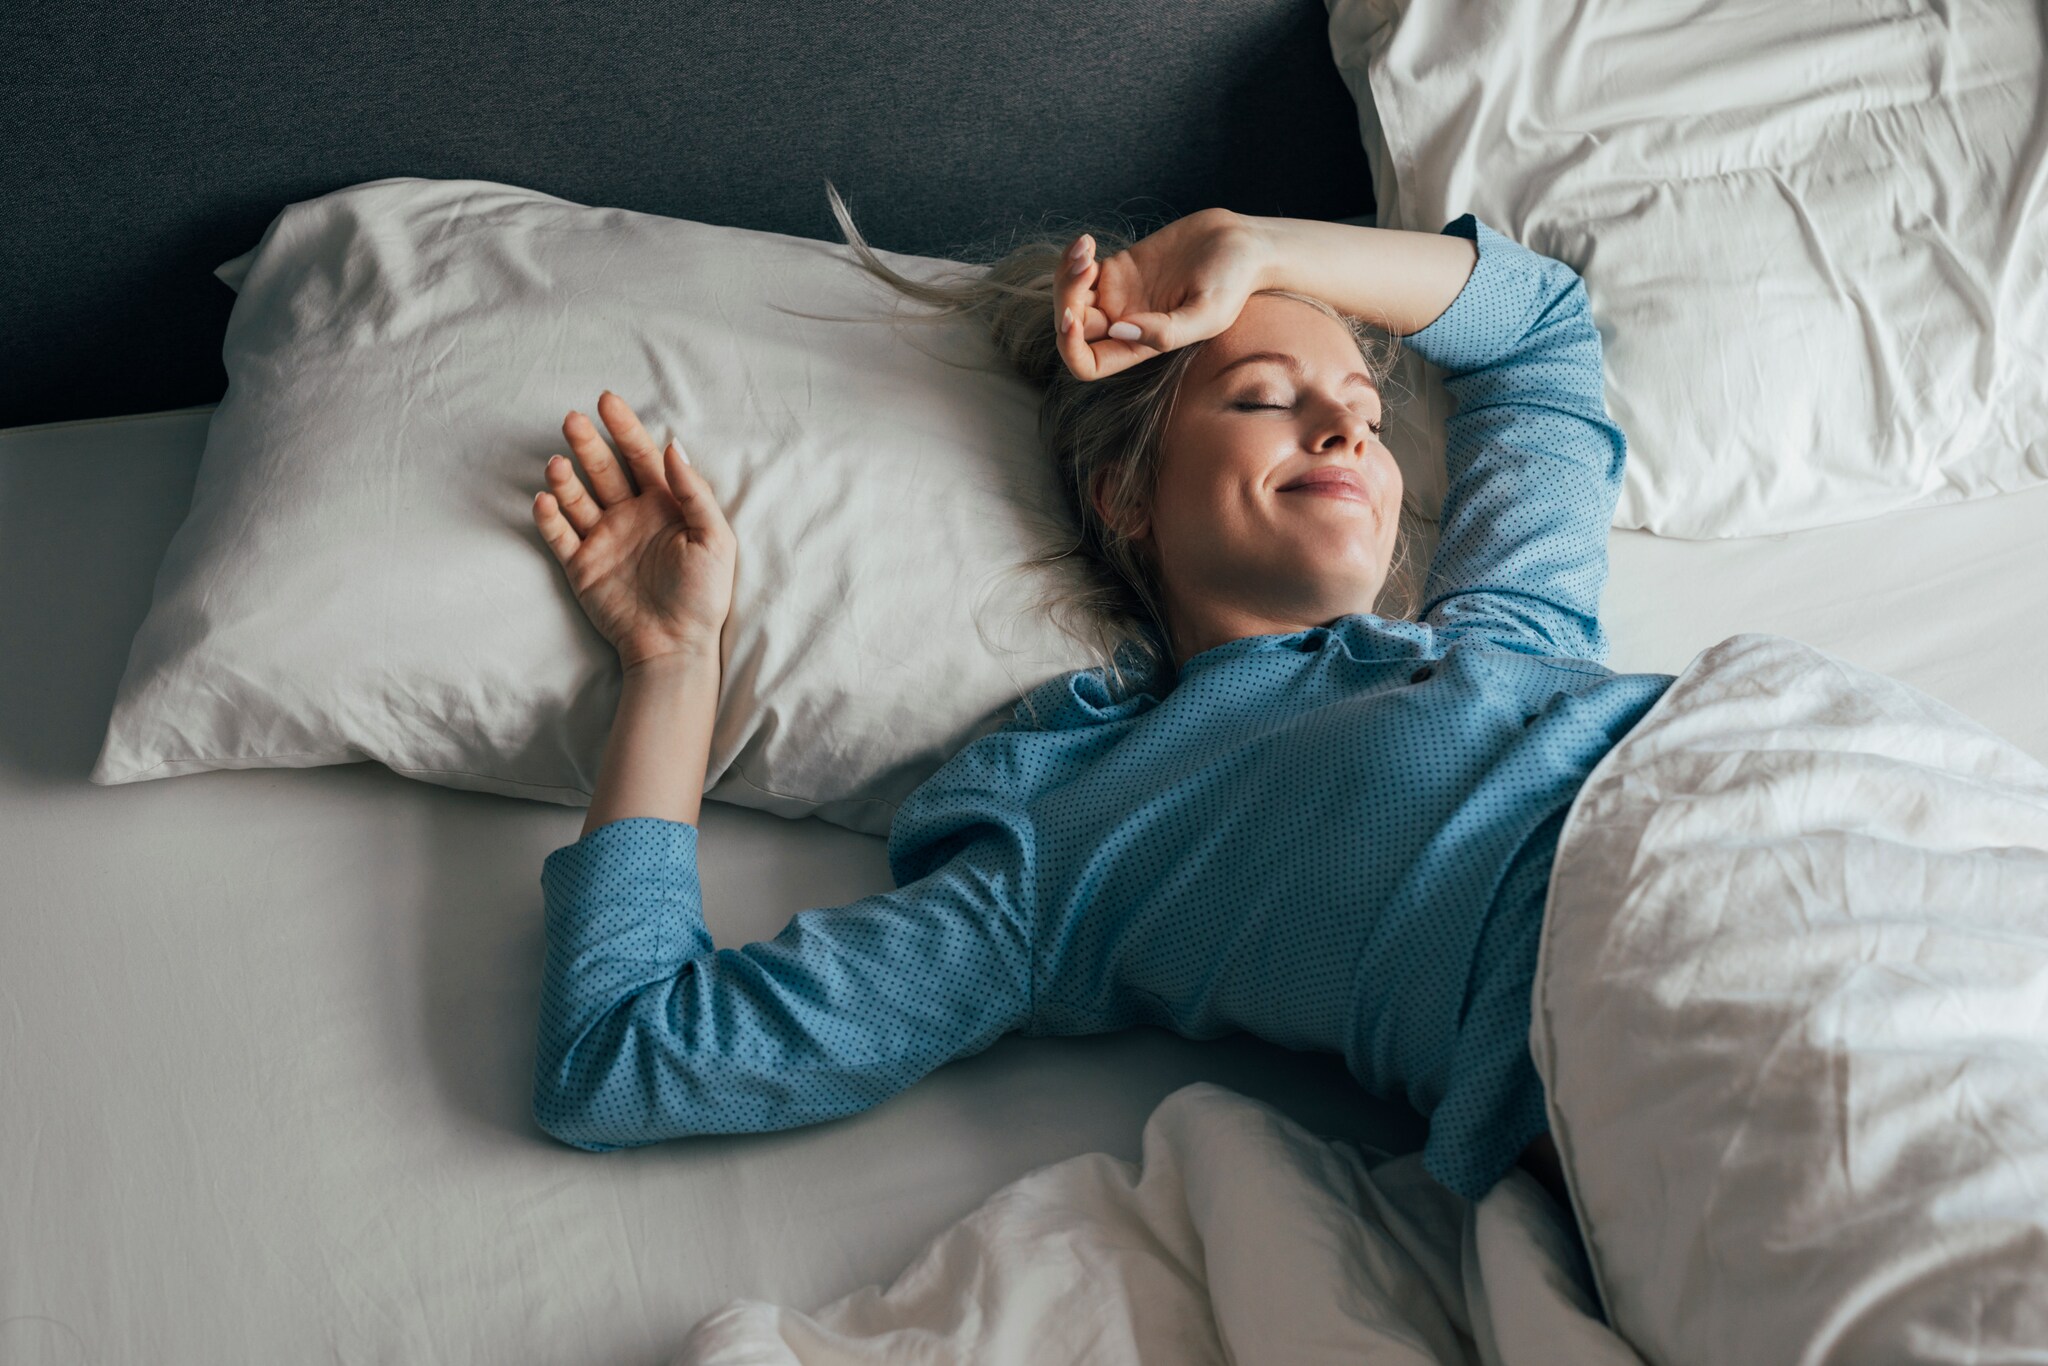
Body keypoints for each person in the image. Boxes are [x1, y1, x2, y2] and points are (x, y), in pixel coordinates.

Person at [525, 196, 1675, 1214]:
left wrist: (1249, 243)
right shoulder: (1082, 836)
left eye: (1367, 418)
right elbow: (625, 1059)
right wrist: (676, 665)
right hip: (1651, 1000)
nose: (1344, 434)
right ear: (1126, 491)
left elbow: (1536, 331)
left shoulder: (1512, 631)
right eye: (1264, 398)